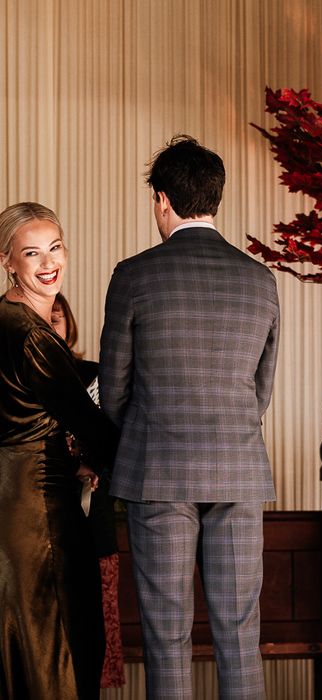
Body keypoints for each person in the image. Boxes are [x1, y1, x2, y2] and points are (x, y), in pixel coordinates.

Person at [99, 135, 280, 700]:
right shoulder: (260, 280)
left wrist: (151, 432)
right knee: (237, 631)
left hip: (159, 472)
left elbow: (113, 391)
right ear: (214, 198)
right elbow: (261, 390)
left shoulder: (133, 275)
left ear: (161, 200)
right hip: (238, 470)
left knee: (166, 632)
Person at [0, 202, 119, 699]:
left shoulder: (4, 320)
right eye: (32, 253)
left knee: (24, 649)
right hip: (41, 510)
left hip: (10, 509)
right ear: (9, 261)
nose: (49, 262)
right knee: (60, 652)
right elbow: (95, 430)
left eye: (56, 247)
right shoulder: (32, 336)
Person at [52, 292, 126, 689]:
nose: (50, 324)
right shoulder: (12, 376)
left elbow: (114, 435)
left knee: (92, 630)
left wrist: (93, 464)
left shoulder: (93, 375)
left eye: (57, 317)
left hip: (92, 518)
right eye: (42, 317)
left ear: (69, 323)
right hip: (38, 518)